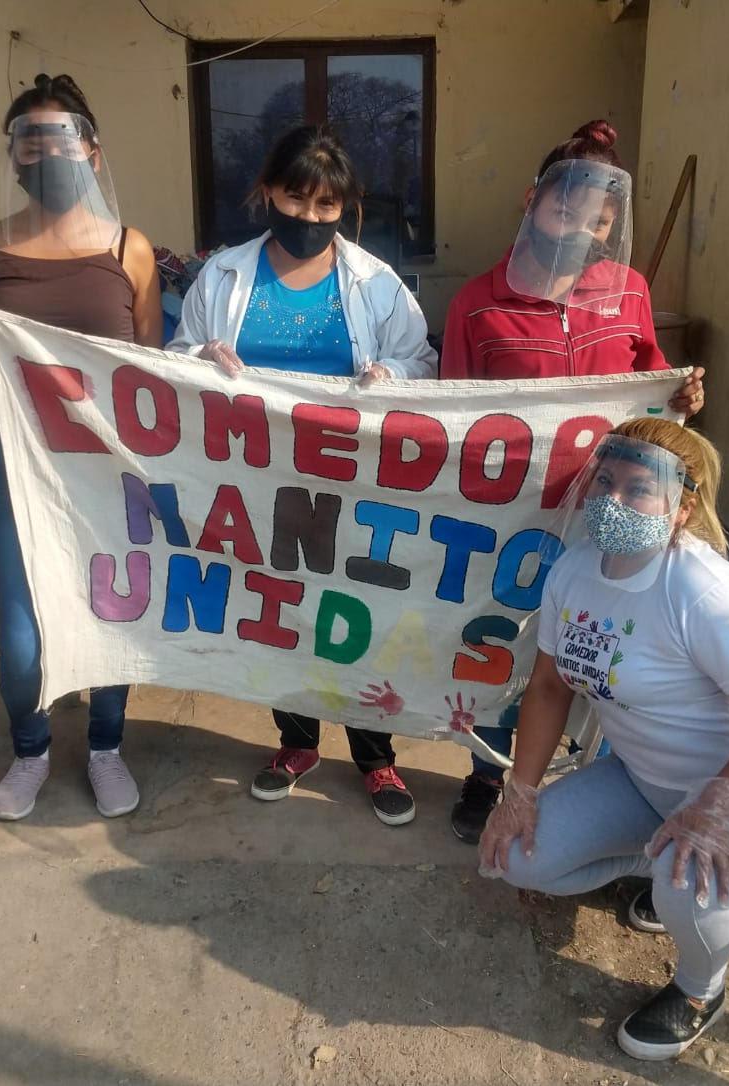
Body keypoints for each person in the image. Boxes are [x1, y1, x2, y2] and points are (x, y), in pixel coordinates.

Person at [477, 418, 729, 1061]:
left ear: (683, 506)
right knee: (516, 856)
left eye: (639, 488)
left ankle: (698, 989)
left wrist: (713, 813)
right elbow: (549, 688)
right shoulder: (574, 571)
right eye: (604, 481)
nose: (612, 500)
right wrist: (518, 791)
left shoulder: (702, 589)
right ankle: (657, 868)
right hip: (642, 781)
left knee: (686, 883)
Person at [440, 120, 707, 843]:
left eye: (601, 210)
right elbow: (452, 413)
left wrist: (683, 397)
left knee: (610, 643)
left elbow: (651, 379)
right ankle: (486, 778)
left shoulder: (628, 291)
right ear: (534, 198)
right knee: (508, 642)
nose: (582, 217)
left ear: (612, 220)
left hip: (609, 517)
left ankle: (609, 775)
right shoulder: (476, 302)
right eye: (566, 198)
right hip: (515, 516)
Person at [168, 124, 437, 826]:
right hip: (257, 479)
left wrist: (391, 372)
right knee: (279, 607)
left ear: (345, 210)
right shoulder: (225, 274)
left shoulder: (376, 284)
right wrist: (201, 358)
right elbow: (176, 359)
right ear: (268, 193)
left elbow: (423, 362)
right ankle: (296, 743)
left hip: (352, 480)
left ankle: (375, 756)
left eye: (327, 207)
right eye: (297, 199)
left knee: (354, 612)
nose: (310, 219)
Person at [0, 74, 162, 822]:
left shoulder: (131, 250)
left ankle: (105, 746)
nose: (44, 151)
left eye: (59, 136)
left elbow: (154, 375)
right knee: (22, 638)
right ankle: (30, 749)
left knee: (113, 614)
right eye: (28, 139)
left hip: (111, 473)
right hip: (26, 471)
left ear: (94, 153)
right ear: (13, 155)